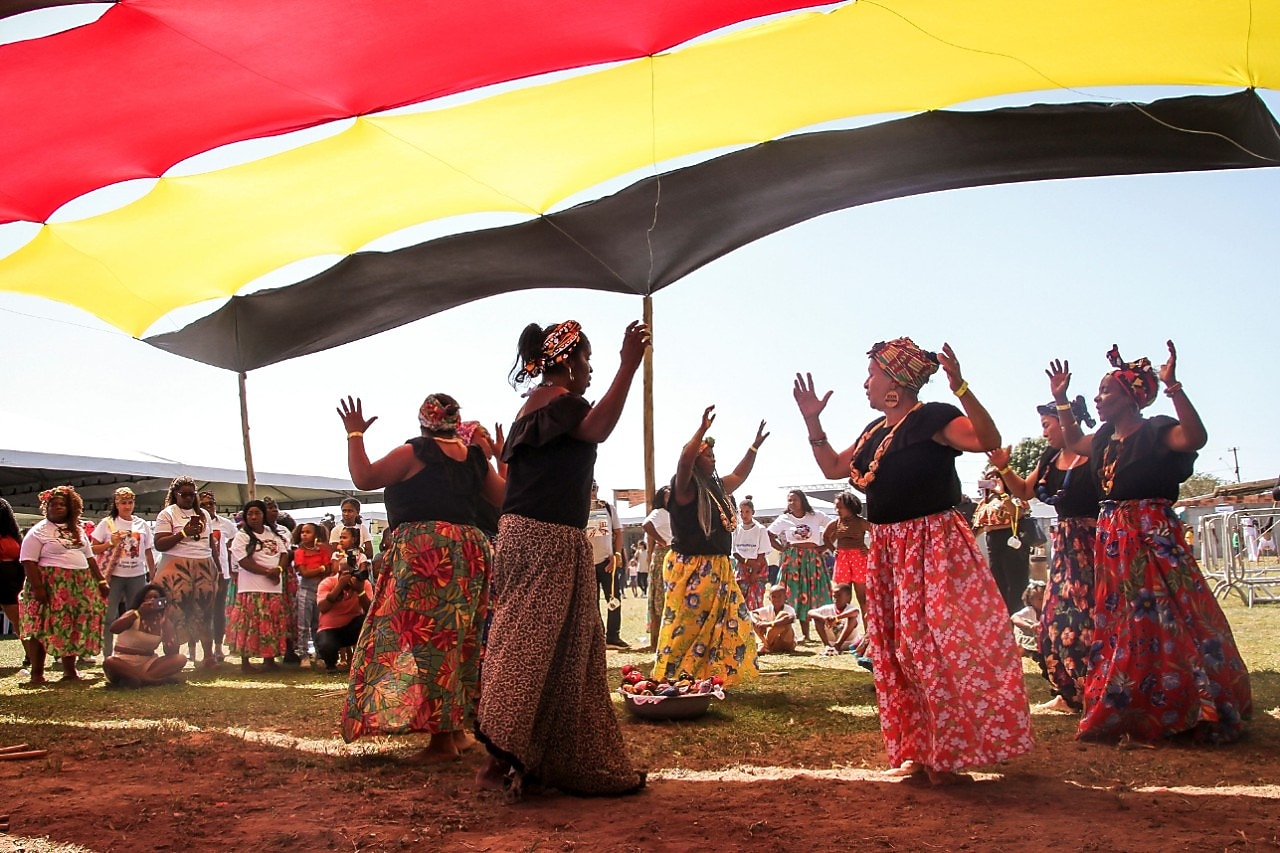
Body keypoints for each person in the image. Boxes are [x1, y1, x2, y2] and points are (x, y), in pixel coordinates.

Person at [794, 338, 1033, 784]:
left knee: (937, 646)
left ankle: (950, 750)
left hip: (933, 546)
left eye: (872, 374)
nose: (865, 382)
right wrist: (813, 421)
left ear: (896, 383)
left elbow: (988, 439)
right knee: (899, 650)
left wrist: (961, 387)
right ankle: (920, 748)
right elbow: (832, 468)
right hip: (887, 551)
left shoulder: (935, 418)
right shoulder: (872, 432)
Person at [476, 318, 649, 800]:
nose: (591, 371)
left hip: (534, 534)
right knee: (530, 647)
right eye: (588, 362)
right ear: (570, 363)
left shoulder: (531, 409)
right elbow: (598, 428)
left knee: (565, 647)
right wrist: (627, 366)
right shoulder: (562, 404)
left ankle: (539, 756)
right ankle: (498, 759)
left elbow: (507, 489)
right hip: (545, 538)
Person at [1048, 343, 1252, 742]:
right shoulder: (1105, 437)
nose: (1098, 397)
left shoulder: (1156, 429)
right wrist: (1060, 401)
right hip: (1113, 538)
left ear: (1130, 397)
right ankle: (1134, 699)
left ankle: (1189, 700)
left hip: (1151, 533)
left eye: (1106, 390)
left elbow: (1194, 437)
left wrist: (1173, 386)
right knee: (1126, 621)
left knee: (1170, 614)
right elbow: (1073, 442)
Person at [338, 392, 504, 763]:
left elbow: (364, 478)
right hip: (468, 551)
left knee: (421, 640)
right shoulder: (474, 458)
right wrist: (500, 458)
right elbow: (501, 498)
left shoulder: (415, 452)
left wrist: (354, 435)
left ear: (423, 423)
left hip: (426, 552)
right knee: (457, 638)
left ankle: (441, 743)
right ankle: (456, 731)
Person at [987, 395, 1100, 714]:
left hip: (1096, 544)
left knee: (1092, 618)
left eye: (1047, 425)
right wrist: (1004, 467)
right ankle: (1069, 692)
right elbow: (1023, 490)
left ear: (1067, 423)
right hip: (1067, 547)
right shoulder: (1050, 457)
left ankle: (1098, 688)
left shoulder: (1093, 452)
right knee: (1053, 620)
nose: (1045, 432)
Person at [652, 406, 766, 687]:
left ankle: (710, 676)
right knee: (688, 627)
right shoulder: (684, 486)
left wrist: (753, 447)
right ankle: (677, 676)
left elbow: (739, 475)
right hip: (692, 566)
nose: (713, 459)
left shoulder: (717, 487)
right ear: (695, 460)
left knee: (727, 624)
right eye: (707, 455)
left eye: (714, 455)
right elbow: (683, 461)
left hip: (719, 565)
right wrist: (701, 431)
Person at [18, 485, 108, 684]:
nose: (57, 507)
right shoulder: (38, 531)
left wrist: (101, 581)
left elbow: (90, 557)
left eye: (62, 504)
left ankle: (70, 672)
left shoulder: (77, 530)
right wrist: (39, 588)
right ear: (45, 507)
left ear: (71, 508)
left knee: (72, 625)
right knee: (41, 626)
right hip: (50, 584)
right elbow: (28, 561)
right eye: (52, 504)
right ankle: (37, 674)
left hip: (79, 584)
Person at [153, 476, 219, 668]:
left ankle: (208, 656)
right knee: (174, 612)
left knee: (204, 612)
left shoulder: (204, 515)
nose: (189, 498)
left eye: (192, 494)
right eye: (184, 494)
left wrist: (219, 571)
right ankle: (173, 657)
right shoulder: (167, 514)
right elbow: (159, 544)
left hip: (204, 565)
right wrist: (183, 533)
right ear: (175, 494)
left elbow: (211, 544)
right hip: (175, 566)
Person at [90, 487, 157, 658]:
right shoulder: (107, 523)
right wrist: (110, 543)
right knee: (109, 616)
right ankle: (107, 654)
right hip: (114, 576)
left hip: (137, 575)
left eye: (130, 502)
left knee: (136, 615)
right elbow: (92, 549)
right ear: (116, 504)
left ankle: (133, 652)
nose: (127, 506)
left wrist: (153, 575)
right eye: (123, 503)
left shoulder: (141, 524)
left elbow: (148, 551)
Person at [226, 499, 291, 672]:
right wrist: (268, 572)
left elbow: (284, 553)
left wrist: (278, 569)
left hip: (273, 587)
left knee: (270, 624)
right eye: (250, 514)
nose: (254, 517)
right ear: (245, 517)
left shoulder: (273, 533)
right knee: (249, 624)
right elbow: (244, 561)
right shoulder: (242, 536)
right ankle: (245, 663)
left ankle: (269, 659)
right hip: (251, 588)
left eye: (257, 513)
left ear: (264, 515)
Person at [766, 489, 831, 643]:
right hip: (793, 560)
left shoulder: (816, 516)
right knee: (798, 593)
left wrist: (825, 546)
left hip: (813, 558)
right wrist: (781, 548)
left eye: (795, 499)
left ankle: (823, 632)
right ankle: (804, 634)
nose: (792, 503)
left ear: (802, 500)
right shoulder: (784, 519)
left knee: (813, 592)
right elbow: (769, 534)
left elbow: (834, 526)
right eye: (789, 500)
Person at [102, 584, 188, 687]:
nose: (151, 600)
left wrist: (166, 625)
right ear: (142, 601)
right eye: (148, 597)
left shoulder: (164, 621)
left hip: (148, 664)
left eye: (156, 598)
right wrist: (139, 612)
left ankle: (139, 680)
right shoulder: (133, 614)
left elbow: (172, 652)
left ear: (162, 602)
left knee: (180, 658)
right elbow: (114, 629)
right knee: (109, 662)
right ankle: (151, 681)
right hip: (124, 662)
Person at [971, 472, 1032, 614]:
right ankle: (1003, 618)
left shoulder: (1014, 497)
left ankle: (1018, 616)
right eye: (988, 479)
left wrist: (1003, 494)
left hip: (1012, 541)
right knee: (998, 584)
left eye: (995, 478)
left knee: (1016, 583)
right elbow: (978, 526)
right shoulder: (985, 502)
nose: (991, 482)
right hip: (993, 543)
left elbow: (1018, 514)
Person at [315, 554, 373, 674]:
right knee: (326, 643)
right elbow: (323, 607)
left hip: (351, 628)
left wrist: (360, 591)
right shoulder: (327, 583)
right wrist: (339, 587)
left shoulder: (362, 583)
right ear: (340, 573)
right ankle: (330, 663)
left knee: (367, 622)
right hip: (330, 629)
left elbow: (370, 611)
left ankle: (364, 661)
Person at [586, 481, 627, 649]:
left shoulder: (608, 508)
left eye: (594, 487)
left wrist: (616, 555)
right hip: (587, 564)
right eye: (589, 487)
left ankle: (613, 636)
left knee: (614, 598)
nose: (592, 491)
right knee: (591, 603)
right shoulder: (577, 508)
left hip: (607, 562)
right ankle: (598, 637)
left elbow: (618, 533)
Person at [200, 491, 238, 664]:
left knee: (219, 611)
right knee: (201, 612)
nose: (208, 507)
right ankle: (197, 649)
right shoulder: (195, 523)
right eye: (204, 504)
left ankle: (218, 647)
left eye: (211, 503)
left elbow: (232, 547)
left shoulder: (226, 524)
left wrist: (229, 570)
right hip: (201, 573)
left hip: (222, 573)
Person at [823, 491, 871, 618]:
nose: (837, 510)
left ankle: (868, 632)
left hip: (859, 559)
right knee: (843, 597)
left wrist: (870, 550)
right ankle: (846, 629)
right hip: (843, 559)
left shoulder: (861, 522)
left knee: (863, 599)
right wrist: (833, 549)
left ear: (850, 507)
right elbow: (826, 536)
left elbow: (877, 534)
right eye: (836, 507)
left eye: (841, 507)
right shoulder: (836, 522)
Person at [292, 522, 331, 664]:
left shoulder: (321, 551)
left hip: (319, 590)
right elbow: (304, 573)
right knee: (303, 624)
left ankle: (319, 654)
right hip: (305, 590)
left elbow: (328, 568)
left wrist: (321, 569)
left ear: (315, 534)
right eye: (303, 532)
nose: (304, 535)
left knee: (318, 624)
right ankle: (303, 654)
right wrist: (320, 569)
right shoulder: (299, 552)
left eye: (308, 532)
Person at [643, 485, 673, 649]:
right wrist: (661, 540)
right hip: (664, 554)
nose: (671, 499)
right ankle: (660, 639)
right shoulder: (659, 512)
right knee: (662, 596)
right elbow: (646, 524)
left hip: (674, 554)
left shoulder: (674, 513)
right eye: (668, 496)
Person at [731, 496, 771, 612]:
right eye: (741, 512)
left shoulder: (760, 529)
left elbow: (762, 553)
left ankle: (757, 626)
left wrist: (754, 572)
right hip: (742, 567)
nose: (744, 515)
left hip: (758, 567)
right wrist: (746, 562)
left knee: (755, 600)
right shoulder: (737, 530)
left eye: (747, 512)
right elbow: (735, 552)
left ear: (753, 512)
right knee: (740, 600)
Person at [808, 582, 862, 654]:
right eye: (834, 596)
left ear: (848, 597)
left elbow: (856, 612)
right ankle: (827, 645)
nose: (835, 599)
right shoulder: (828, 608)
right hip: (831, 642)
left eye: (839, 596)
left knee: (852, 619)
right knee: (817, 618)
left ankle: (838, 646)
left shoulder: (851, 608)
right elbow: (810, 612)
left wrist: (837, 618)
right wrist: (824, 618)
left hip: (849, 643)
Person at [750, 583, 797, 653]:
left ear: (785, 597)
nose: (777, 599)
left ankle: (765, 646)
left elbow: (791, 618)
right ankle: (766, 645)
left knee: (782, 616)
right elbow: (751, 613)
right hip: (773, 643)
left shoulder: (789, 609)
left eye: (779, 596)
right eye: (774, 597)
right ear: (769, 598)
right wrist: (758, 622)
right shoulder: (768, 609)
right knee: (755, 620)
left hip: (787, 643)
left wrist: (768, 624)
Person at [0, 499, 23, 642]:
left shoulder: (12, 537)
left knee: (17, 619)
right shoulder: (13, 538)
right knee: (17, 619)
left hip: (8, 579)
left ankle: (31, 654)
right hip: (9, 577)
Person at [328, 497, 374, 561]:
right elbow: (336, 552)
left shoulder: (362, 529)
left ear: (357, 512)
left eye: (350, 511)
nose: (346, 514)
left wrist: (351, 553)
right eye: (344, 511)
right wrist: (360, 550)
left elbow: (370, 553)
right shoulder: (336, 530)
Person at [1010, 581, 1046, 662]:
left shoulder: (1048, 611)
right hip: (1030, 635)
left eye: (1045, 597)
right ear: (1031, 600)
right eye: (1040, 599)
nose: (1043, 600)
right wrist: (1029, 626)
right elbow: (1014, 617)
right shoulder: (1030, 611)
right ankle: (1024, 649)